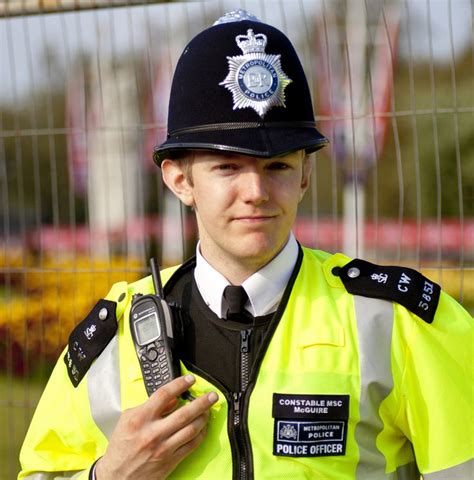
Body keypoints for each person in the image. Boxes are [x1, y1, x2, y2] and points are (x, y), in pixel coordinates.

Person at [19, 9, 473, 480]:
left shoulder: (399, 322)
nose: (256, 191)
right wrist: (109, 475)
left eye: (278, 166)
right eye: (228, 167)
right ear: (179, 179)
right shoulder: (112, 342)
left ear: (306, 174)